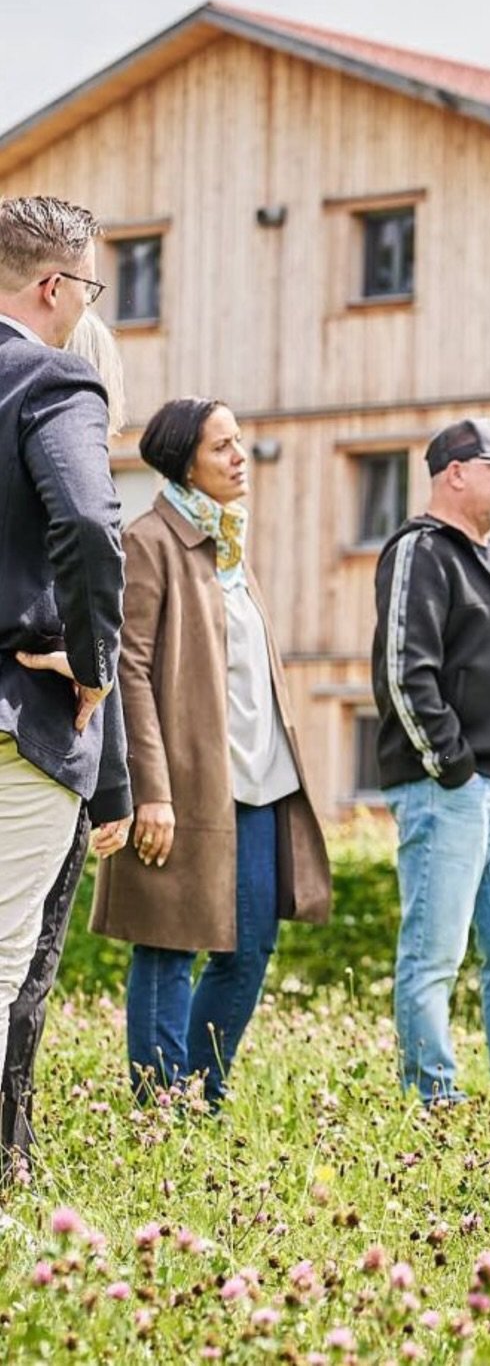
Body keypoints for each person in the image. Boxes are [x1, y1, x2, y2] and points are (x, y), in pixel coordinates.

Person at [90, 397, 331, 1105]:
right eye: (222, 446)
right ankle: (160, 1111)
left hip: (259, 786)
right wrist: (150, 792)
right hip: (185, 790)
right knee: (166, 944)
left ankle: (196, 1093)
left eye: (240, 442)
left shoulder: (229, 545)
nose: (239, 457)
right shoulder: (150, 541)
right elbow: (127, 668)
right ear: (181, 460)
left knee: (248, 951)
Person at [371, 416, 490, 1112]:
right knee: (435, 956)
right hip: (448, 787)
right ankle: (434, 1099)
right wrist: (450, 767)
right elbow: (403, 672)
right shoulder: (421, 552)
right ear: (456, 471)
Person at [0, 196, 129, 1165]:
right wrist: (88, 660)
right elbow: (88, 524)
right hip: (17, 716)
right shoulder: (52, 376)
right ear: (55, 286)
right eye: (87, 286)